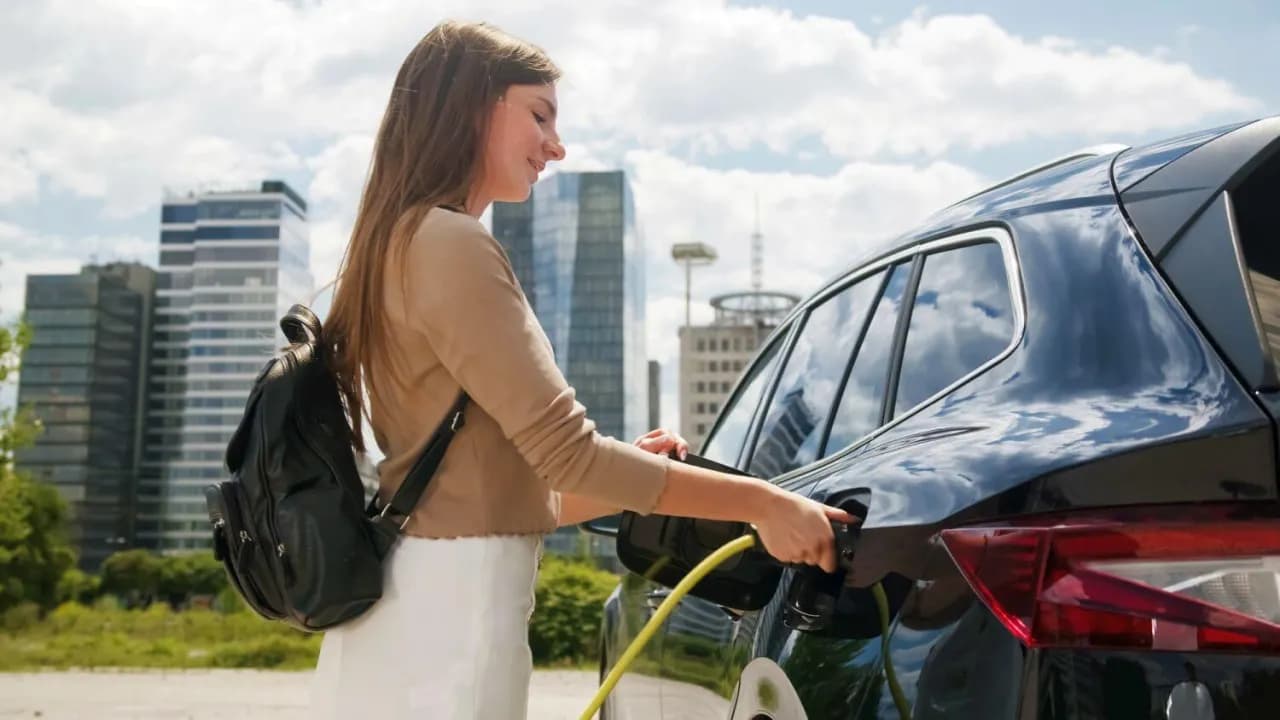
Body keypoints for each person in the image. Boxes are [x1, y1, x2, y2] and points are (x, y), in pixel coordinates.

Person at [309, 19, 855, 720]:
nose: (556, 147)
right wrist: (766, 504)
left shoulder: (397, 242)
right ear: (473, 103)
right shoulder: (451, 244)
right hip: (453, 620)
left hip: (412, 601)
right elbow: (566, 457)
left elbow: (508, 499)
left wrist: (631, 473)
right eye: (539, 115)